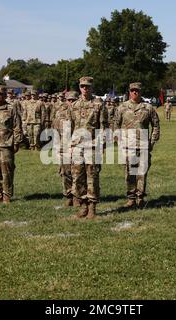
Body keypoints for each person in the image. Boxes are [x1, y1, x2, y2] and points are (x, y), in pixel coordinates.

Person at [115, 82, 160, 208]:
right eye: (133, 90)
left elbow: (156, 125)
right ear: (129, 92)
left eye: (137, 90)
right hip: (128, 146)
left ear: (141, 91)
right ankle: (131, 198)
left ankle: (140, 197)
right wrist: (119, 141)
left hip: (143, 146)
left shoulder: (148, 107)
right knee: (129, 173)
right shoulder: (122, 107)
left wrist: (152, 141)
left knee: (142, 172)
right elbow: (116, 125)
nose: (135, 92)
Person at [70, 76, 108, 219]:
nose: (85, 89)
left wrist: (102, 144)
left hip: (92, 145)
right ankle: (83, 205)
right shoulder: (74, 105)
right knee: (78, 177)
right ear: (79, 87)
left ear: (92, 88)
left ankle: (92, 207)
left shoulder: (98, 104)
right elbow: (70, 126)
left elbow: (104, 126)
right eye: (82, 86)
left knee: (92, 176)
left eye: (87, 86)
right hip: (78, 146)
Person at [52, 91, 77, 207]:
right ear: (66, 101)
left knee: (78, 173)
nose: (71, 102)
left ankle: (77, 196)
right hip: (63, 147)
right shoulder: (60, 113)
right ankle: (68, 195)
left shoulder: (81, 113)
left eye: (73, 100)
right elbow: (55, 131)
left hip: (78, 147)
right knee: (65, 172)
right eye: (69, 100)